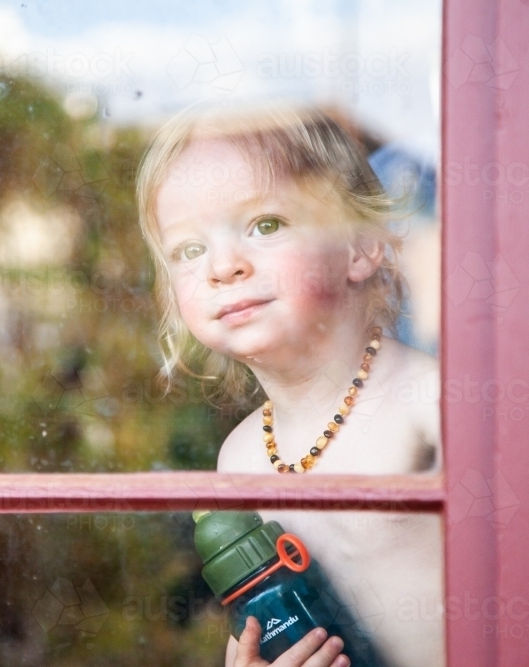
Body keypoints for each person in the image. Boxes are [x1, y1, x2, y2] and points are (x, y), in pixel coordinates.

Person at [135, 104, 443, 667]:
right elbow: (267, 624)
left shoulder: (429, 401)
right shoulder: (240, 457)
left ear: (360, 246)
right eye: (189, 249)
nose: (221, 266)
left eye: (266, 225)